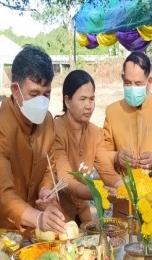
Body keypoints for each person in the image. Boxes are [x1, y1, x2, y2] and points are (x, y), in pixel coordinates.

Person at [0, 45, 65, 235]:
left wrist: (45, 190)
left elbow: (48, 168)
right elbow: (3, 194)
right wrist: (38, 218)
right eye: (34, 94)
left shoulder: (47, 122)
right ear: (15, 90)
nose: (42, 101)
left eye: (47, 94)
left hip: (28, 231)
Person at [100, 51, 152, 215]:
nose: (132, 88)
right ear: (122, 79)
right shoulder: (113, 111)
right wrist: (117, 157)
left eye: (138, 83)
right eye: (128, 83)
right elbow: (101, 154)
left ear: (149, 82)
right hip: (123, 204)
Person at [53, 70, 122, 223]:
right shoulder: (54, 130)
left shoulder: (95, 132)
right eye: (82, 99)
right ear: (67, 101)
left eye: (92, 99)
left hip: (83, 215)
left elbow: (108, 174)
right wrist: (97, 192)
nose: (88, 106)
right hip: (57, 216)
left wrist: (128, 189)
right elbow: (66, 180)